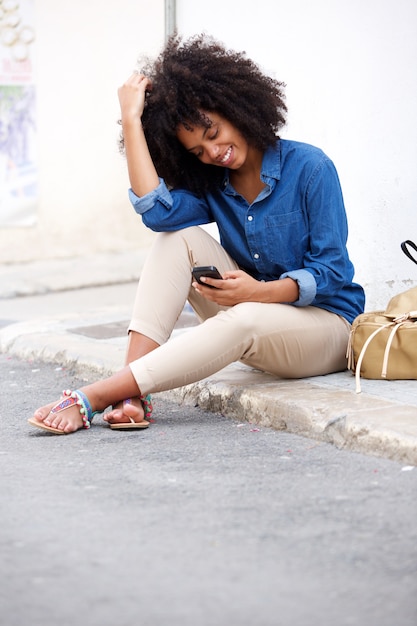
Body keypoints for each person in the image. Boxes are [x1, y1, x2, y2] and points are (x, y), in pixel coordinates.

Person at [28, 34, 365, 435]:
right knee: (175, 239)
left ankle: (94, 396)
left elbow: (331, 272)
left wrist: (258, 292)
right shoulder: (214, 183)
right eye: (197, 151)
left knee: (247, 317)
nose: (212, 152)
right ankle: (129, 395)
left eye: (213, 132)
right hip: (254, 321)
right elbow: (156, 212)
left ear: (236, 108)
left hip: (326, 329)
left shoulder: (311, 168)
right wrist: (131, 121)